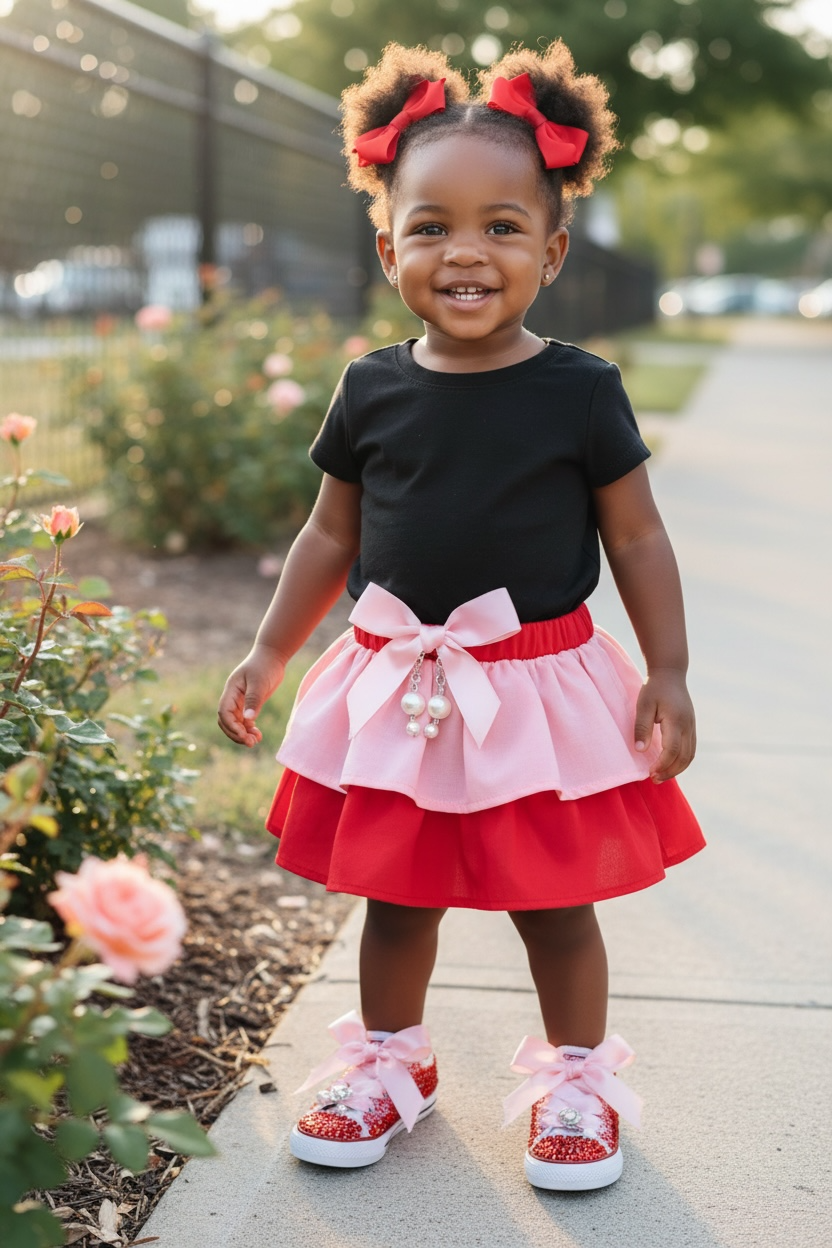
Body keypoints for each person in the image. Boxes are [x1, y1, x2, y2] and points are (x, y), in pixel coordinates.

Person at [218, 39, 704, 1192]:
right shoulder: (372, 387)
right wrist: (268, 651)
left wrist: (668, 670)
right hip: (402, 686)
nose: (465, 251)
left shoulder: (579, 390)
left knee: (553, 905)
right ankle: (390, 1064)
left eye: (500, 225)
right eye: (431, 226)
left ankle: (576, 1081)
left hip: (536, 686)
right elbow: (329, 534)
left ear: (552, 248)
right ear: (389, 248)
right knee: (398, 898)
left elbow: (634, 536)